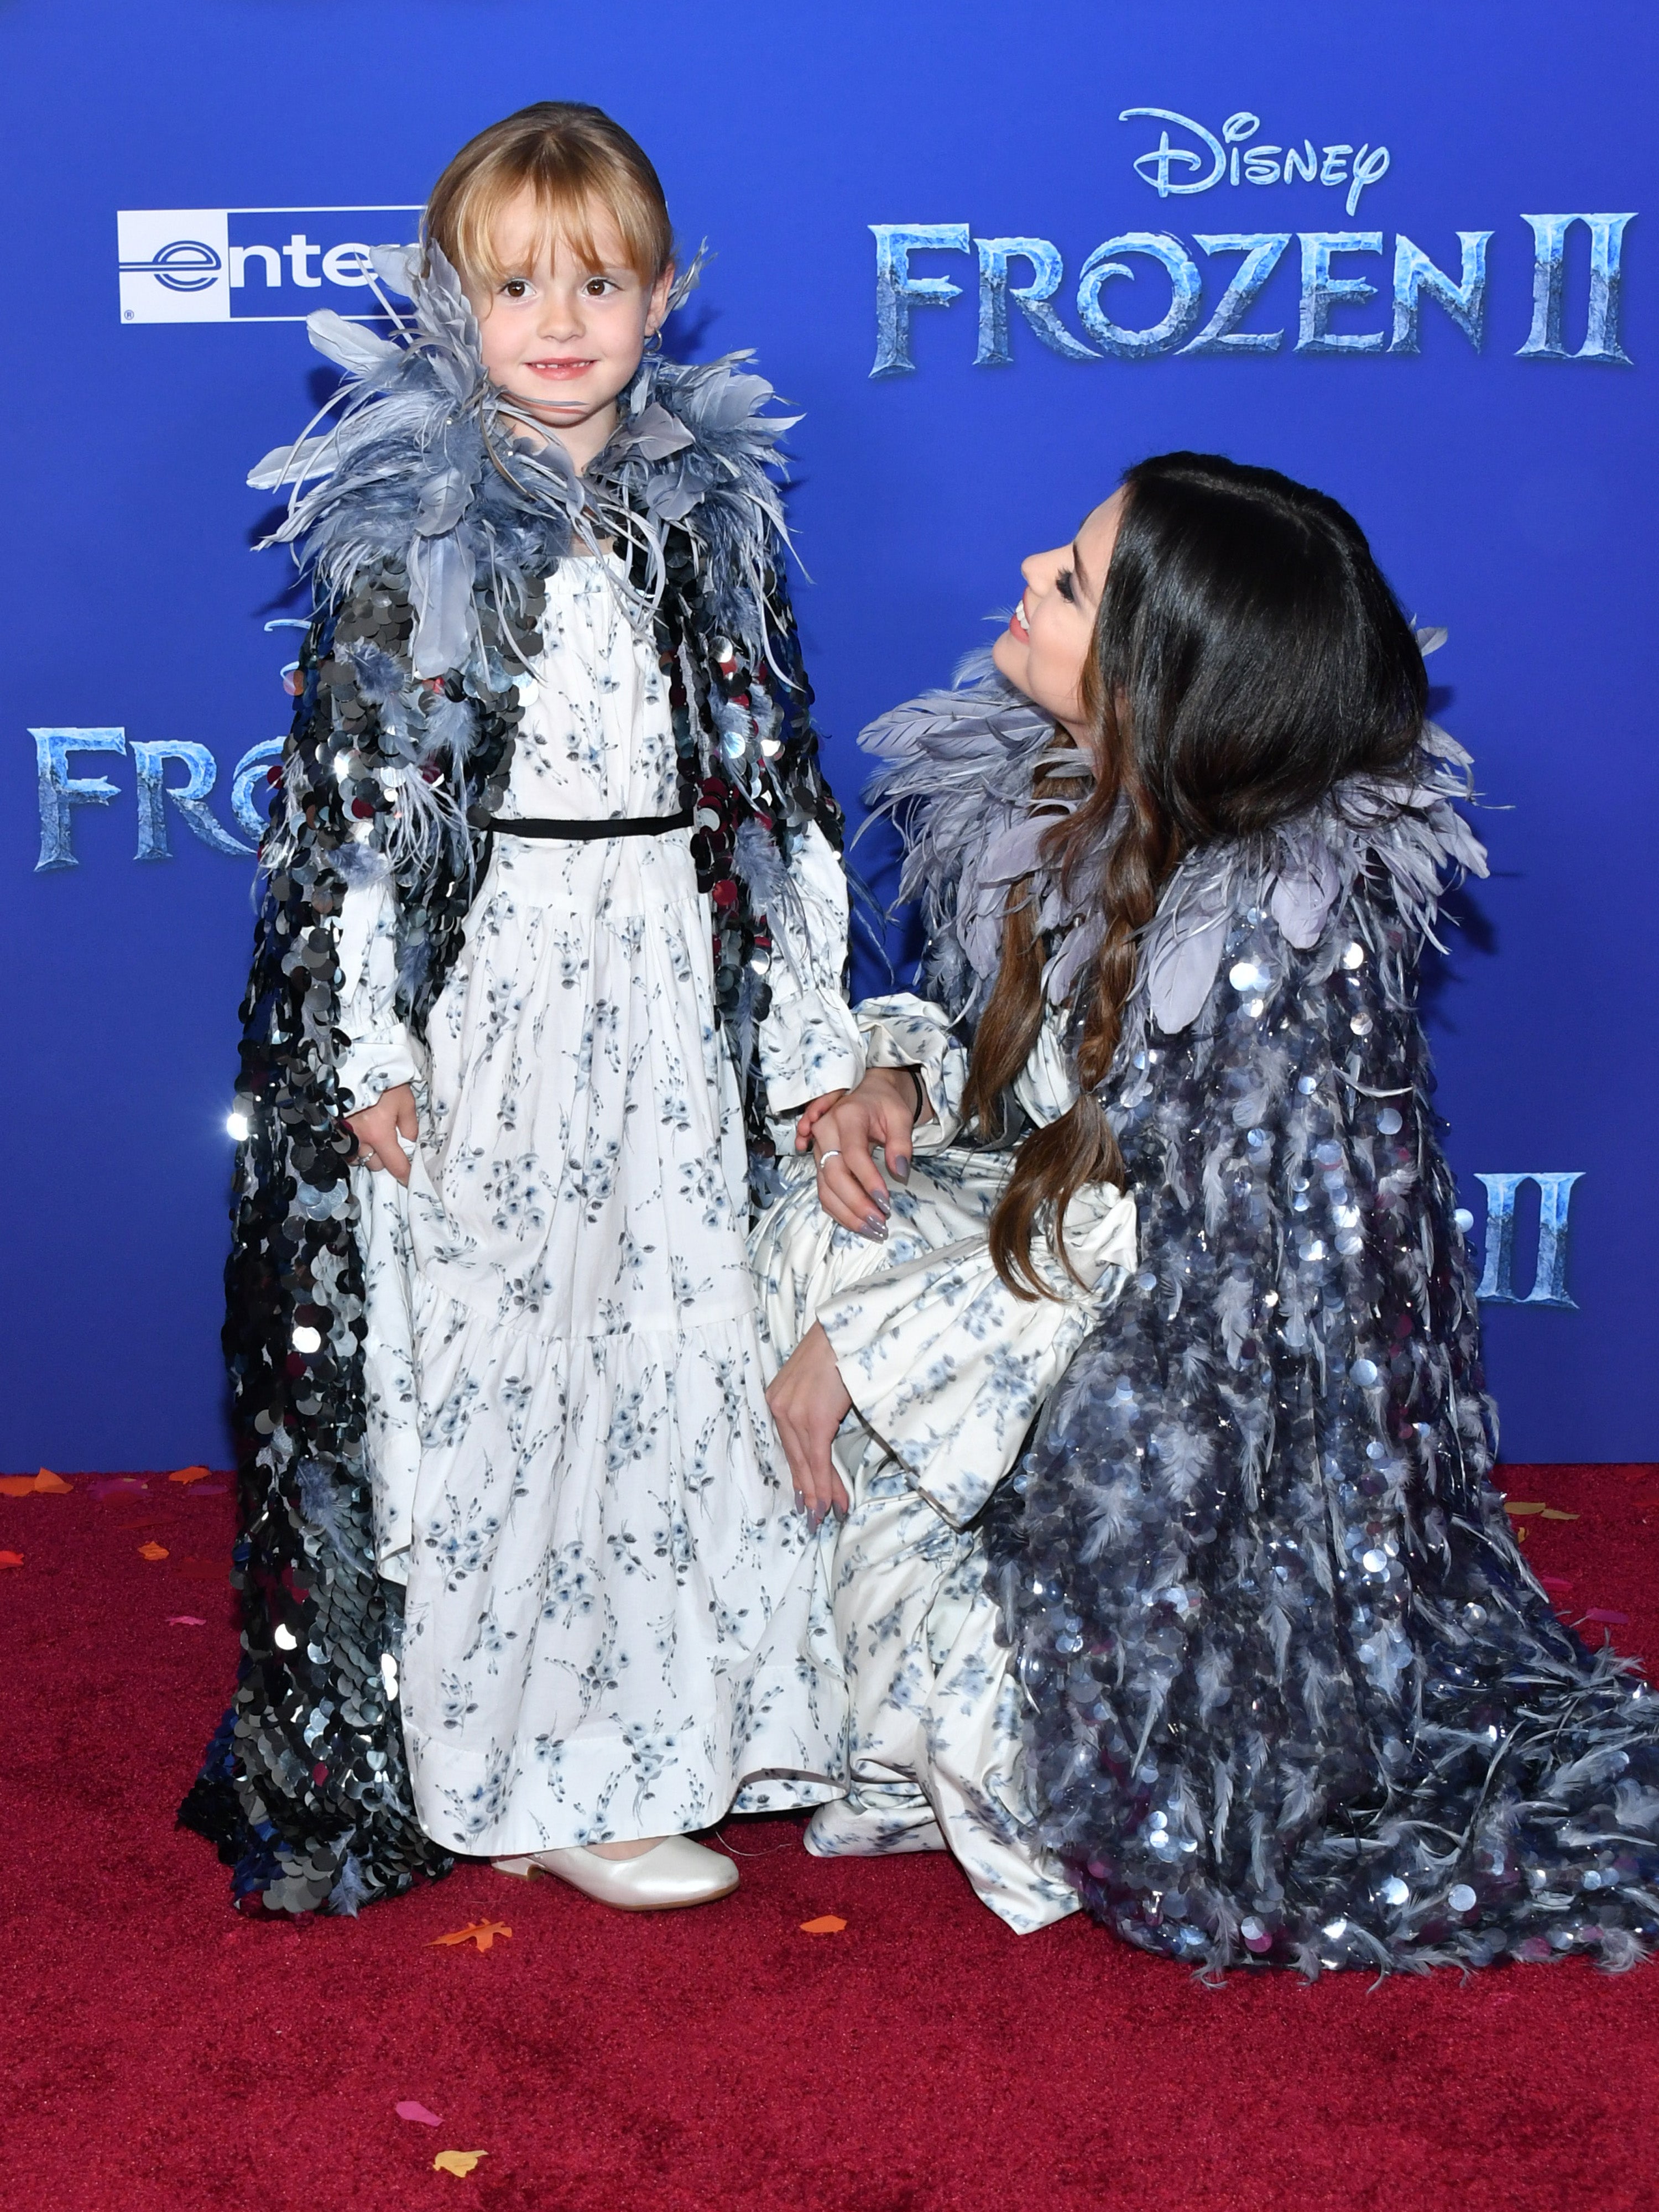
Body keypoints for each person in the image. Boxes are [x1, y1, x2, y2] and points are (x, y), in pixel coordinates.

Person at [758, 451, 1659, 1973]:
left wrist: (865, 1350)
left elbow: (1172, 1256)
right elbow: (1035, 1082)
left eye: (1080, 580)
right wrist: (901, 1074)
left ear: (1165, 684)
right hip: (1040, 1284)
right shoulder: (1043, 791)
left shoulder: (1275, 946)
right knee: (800, 1208)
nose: (1037, 565)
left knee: (837, 1307)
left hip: (1174, 1447)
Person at [181, 102, 857, 1917]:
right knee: (507, 1377)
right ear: (447, 300)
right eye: (515, 284)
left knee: (673, 1362)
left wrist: (809, 1042)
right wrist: (373, 1056)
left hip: (665, 985)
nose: (561, 320)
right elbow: (351, 824)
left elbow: (772, 795)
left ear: (668, 296)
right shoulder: (403, 526)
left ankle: (686, 1731)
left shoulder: (714, 514)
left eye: (602, 280)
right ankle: (534, 1765)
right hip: (501, 998)